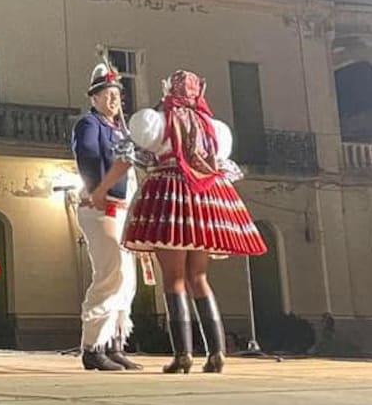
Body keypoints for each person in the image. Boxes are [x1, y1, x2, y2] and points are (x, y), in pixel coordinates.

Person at [93, 69, 267, 374]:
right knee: (199, 277)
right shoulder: (211, 127)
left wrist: (102, 189)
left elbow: (127, 157)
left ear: (169, 91)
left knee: (173, 279)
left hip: (170, 198)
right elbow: (225, 166)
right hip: (203, 203)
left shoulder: (159, 121)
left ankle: (183, 354)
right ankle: (217, 353)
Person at [71, 56, 141, 371]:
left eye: (117, 94)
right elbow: (87, 157)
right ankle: (92, 347)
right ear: (94, 97)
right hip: (100, 205)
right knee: (109, 272)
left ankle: (114, 344)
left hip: (122, 208)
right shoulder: (89, 124)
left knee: (126, 280)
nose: (114, 99)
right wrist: (98, 190)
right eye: (107, 94)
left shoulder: (118, 130)